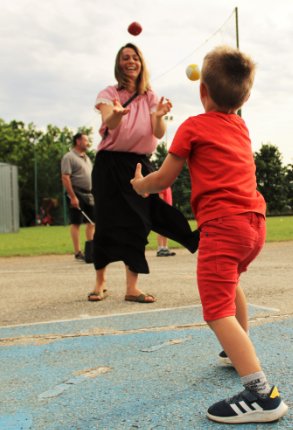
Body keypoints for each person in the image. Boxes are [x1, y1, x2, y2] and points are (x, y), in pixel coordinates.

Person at [130, 45, 288, 424]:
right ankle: (237, 350)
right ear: (245, 99)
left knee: (217, 312)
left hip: (223, 226)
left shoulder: (193, 126)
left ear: (202, 91)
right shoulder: (241, 127)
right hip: (254, 224)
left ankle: (261, 396)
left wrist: (140, 185)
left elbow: (163, 179)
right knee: (230, 284)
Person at [89, 43, 199, 303]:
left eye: (135, 57)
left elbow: (158, 133)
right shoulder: (109, 93)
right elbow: (109, 122)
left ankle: (132, 287)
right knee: (105, 222)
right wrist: (117, 114)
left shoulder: (150, 96)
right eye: (125, 58)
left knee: (139, 223)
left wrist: (159, 115)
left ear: (141, 64)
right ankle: (100, 283)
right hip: (109, 164)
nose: (131, 61)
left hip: (139, 164)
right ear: (119, 64)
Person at [61, 132, 95, 261]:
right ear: (78, 141)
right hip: (76, 193)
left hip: (89, 194)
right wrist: (73, 197)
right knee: (76, 222)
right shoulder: (69, 157)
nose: (88, 143)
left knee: (92, 221)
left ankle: (90, 249)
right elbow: (65, 177)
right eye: (86, 140)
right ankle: (78, 252)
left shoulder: (87, 158)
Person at [156, 186, 176, 257]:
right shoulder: (162, 187)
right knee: (161, 230)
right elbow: (161, 201)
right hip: (163, 211)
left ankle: (165, 248)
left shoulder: (168, 187)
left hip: (168, 211)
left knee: (167, 230)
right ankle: (160, 249)